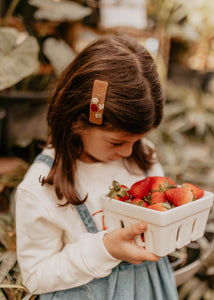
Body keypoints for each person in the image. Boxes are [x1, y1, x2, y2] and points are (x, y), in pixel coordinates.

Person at [15, 34, 178, 300]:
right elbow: (35, 277)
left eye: (136, 140)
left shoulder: (143, 154)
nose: (128, 151)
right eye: (117, 142)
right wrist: (104, 249)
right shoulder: (41, 188)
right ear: (79, 121)